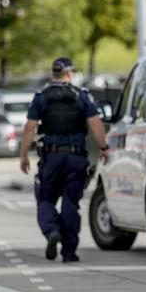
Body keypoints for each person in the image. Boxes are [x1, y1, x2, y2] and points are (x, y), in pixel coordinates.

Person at [19, 57, 110, 263]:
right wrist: (104, 147)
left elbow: (29, 127)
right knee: (71, 203)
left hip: (51, 157)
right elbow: (95, 124)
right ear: (70, 74)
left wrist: (23, 154)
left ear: (54, 74)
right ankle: (69, 253)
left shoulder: (41, 97)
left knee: (45, 199)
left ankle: (52, 231)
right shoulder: (82, 96)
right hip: (76, 157)